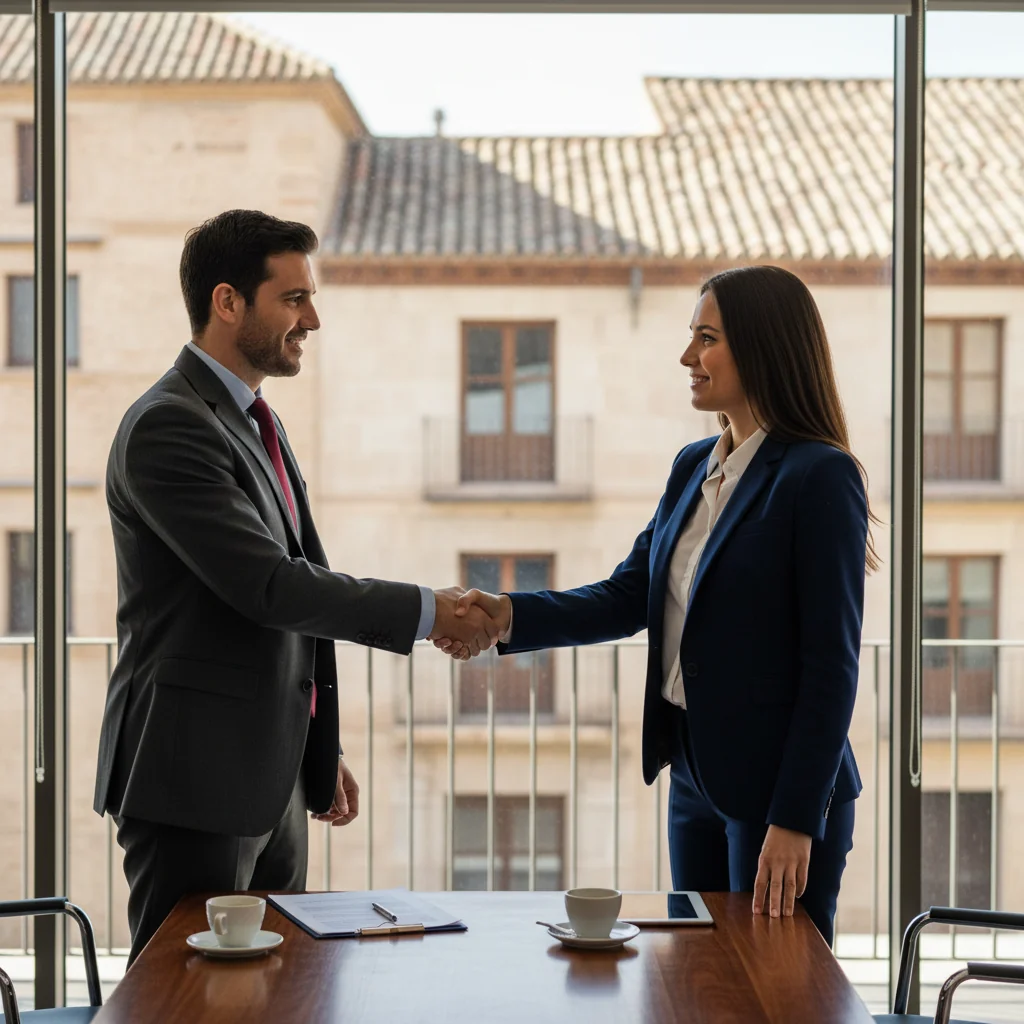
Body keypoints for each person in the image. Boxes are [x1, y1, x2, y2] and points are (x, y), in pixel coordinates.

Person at [94, 209, 499, 963]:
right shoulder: (168, 426)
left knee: (277, 990)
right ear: (227, 302)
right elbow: (270, 587)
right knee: (184, 1002)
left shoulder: (255, 421)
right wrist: (428, 609)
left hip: (266, 776)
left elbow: (285, 599)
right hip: (193, 782)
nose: (312, 319)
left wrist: (314, 745)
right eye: (292, 299)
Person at [436, 265, 876, 945]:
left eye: (706, 338)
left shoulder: (819, 476)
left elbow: (832, 666)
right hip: (695, 775)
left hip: (777, 791)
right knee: (698, 978)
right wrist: (506, 616)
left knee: (775, 994)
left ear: (761, 347)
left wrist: (795, 819)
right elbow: (627, 595)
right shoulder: (693, 465)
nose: (687, 357)